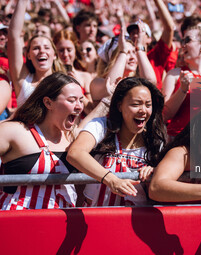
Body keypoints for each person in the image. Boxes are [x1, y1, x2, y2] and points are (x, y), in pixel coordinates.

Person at [67, 77, 167, 207]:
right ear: (119, 105)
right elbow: (75, 153)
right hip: (95, 219)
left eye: (148, 105)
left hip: (136, 221)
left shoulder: (155, 140)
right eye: (136, 104)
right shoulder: (101, 126)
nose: (143, 110)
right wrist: (111, 180)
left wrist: (154, 173)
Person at [0, 72, 84, 210]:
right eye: (72, 100)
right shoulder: (14, 131)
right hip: (17, 223)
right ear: (48, 102)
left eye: (81, 100)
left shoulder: (75, 137)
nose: (79, 106)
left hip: (61, 224)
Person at [8, 0, 65, 108]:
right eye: (36, 48)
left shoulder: (64, 81)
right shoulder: (24, 80)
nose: (42, 51)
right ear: (28, 55)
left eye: (47, 47)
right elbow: (13, 36)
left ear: (55, 55)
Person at [91, 22, 157, 104]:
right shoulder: (97, 82)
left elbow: (150, 82)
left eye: (134, 52)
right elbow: (111, 86)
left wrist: (140, 47)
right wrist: (123, 52)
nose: (132, 57)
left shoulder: (135, 80)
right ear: (113, 58)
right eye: (127, 53)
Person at [53, 29, 93, 113]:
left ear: (75, 49)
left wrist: (77, 88)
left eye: (69, 50)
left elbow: (91, 111)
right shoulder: (51, 75)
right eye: (61, 50)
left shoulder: (85, 76)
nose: (65, 54)